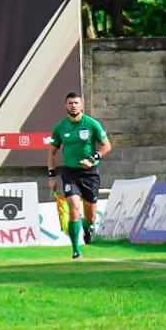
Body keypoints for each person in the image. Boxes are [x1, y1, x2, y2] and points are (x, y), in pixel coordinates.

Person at [47, 92, 112, 259]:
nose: (73, 106)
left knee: (91, 215)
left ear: (82, 105)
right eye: (70, 103)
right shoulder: (60, 127)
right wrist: (52, 177)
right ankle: (76, 250)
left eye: (76, 103)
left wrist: (92, 159)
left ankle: (87, 225)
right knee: (74, 208)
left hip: (90, 174)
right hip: (71, 173)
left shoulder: (91, 124)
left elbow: (106, 146)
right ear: (65, 106)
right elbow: (52, 153)